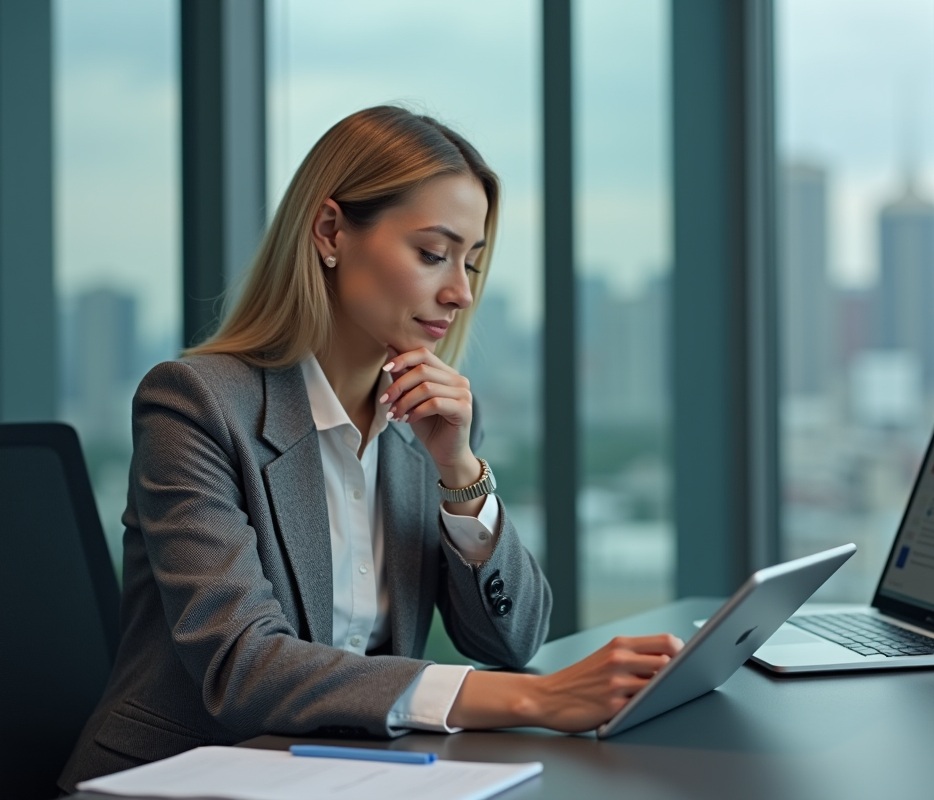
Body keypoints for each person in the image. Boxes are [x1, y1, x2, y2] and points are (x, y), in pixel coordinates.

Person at [59, 106, 682, 793]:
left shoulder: (426, 425)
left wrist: (460, 470)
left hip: (352, 773)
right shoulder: (196, 405)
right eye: (433, 253)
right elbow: (242, 665)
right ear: (330, 231)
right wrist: (536, 700)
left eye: (471, 261)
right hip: (184, 778)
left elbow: (512, 639)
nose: (461, 291)